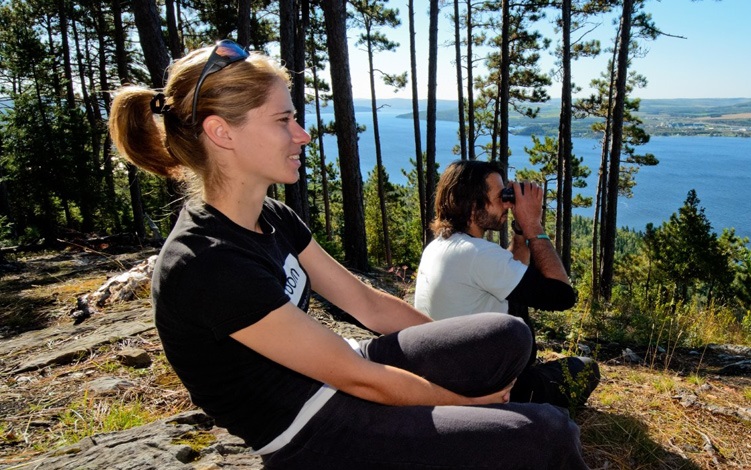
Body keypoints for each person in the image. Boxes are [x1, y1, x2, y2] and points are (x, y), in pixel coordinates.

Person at [108, 39, 587, 469]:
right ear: (222, 133)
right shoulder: (205, 263)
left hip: (336, 373)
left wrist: (457, 349)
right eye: (284, 120)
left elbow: (369, 304)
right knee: (549, 434)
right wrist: (471, 404)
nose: (303, 134)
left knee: (506, 335)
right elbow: (362, 381)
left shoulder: (271, 215)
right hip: (310, 428)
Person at [414, 160, 600, 408]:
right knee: (586, 368)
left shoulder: (440, 246)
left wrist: (521, 232)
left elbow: (513, 272)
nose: (507, 203)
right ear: (474, 203)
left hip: (452, 374)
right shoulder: (478, 254)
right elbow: (562, 296)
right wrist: (534, 226)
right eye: (501, 196)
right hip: (491, 389)